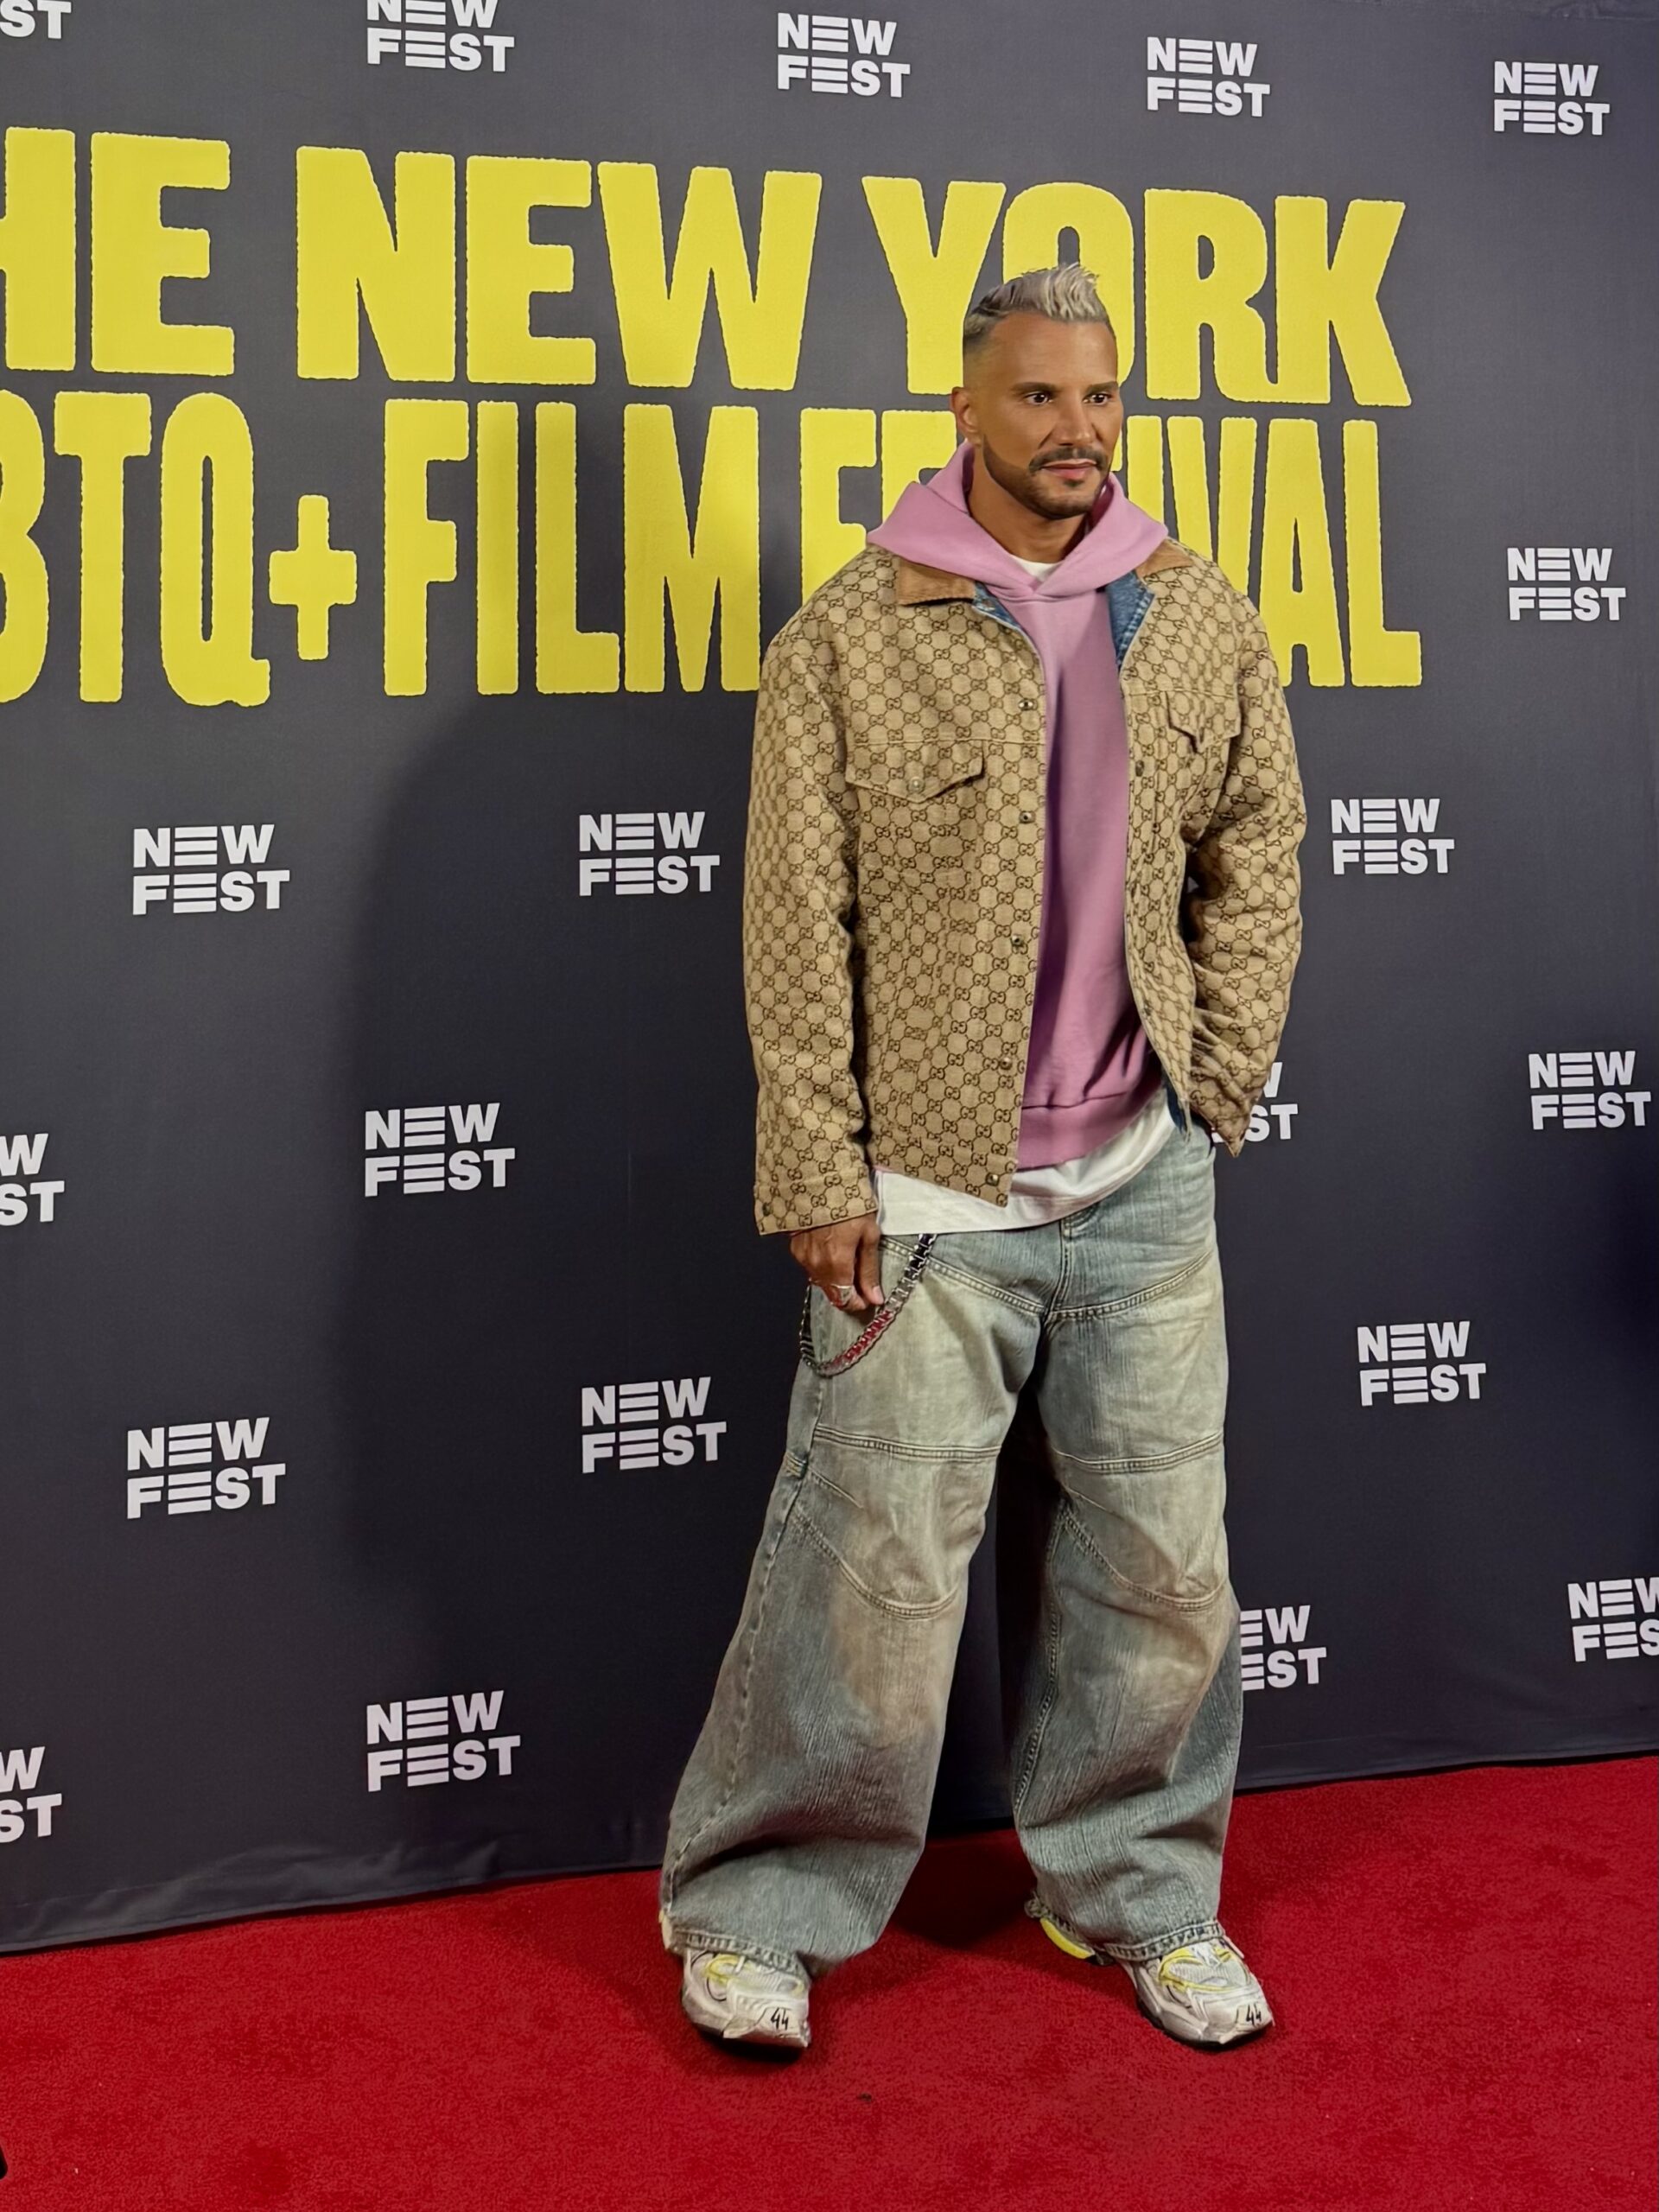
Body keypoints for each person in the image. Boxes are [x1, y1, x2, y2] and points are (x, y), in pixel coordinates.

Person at [658, 264, 1306, 2054]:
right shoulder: (854, 632)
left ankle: (1141, 1893)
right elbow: (794, 923)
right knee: (863, 1585)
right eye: (1039, 397)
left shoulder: (1195, 612)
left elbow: (1259, 839)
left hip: (1143, 1181)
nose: (1078, 430)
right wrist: (819, 1164)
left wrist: (1221, 1066)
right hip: (927, 1204)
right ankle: (761, 1912)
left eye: (1102, 396)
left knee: (1161, 1573)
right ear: (965, 406)